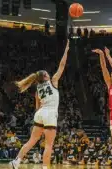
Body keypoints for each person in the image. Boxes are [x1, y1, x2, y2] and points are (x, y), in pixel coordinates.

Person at [10, 40, 70, 169]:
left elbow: (37, 107)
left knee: (32, 141)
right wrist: (66, 50)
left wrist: (40, 115)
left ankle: (17, 161)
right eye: (47, 73)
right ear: (46, 76)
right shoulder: (53, 81)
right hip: (49, 113)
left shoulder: (38, 88)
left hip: (40, 113)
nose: (49, 73)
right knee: (49, 145)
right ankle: (45, 167)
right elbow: (62, 65)